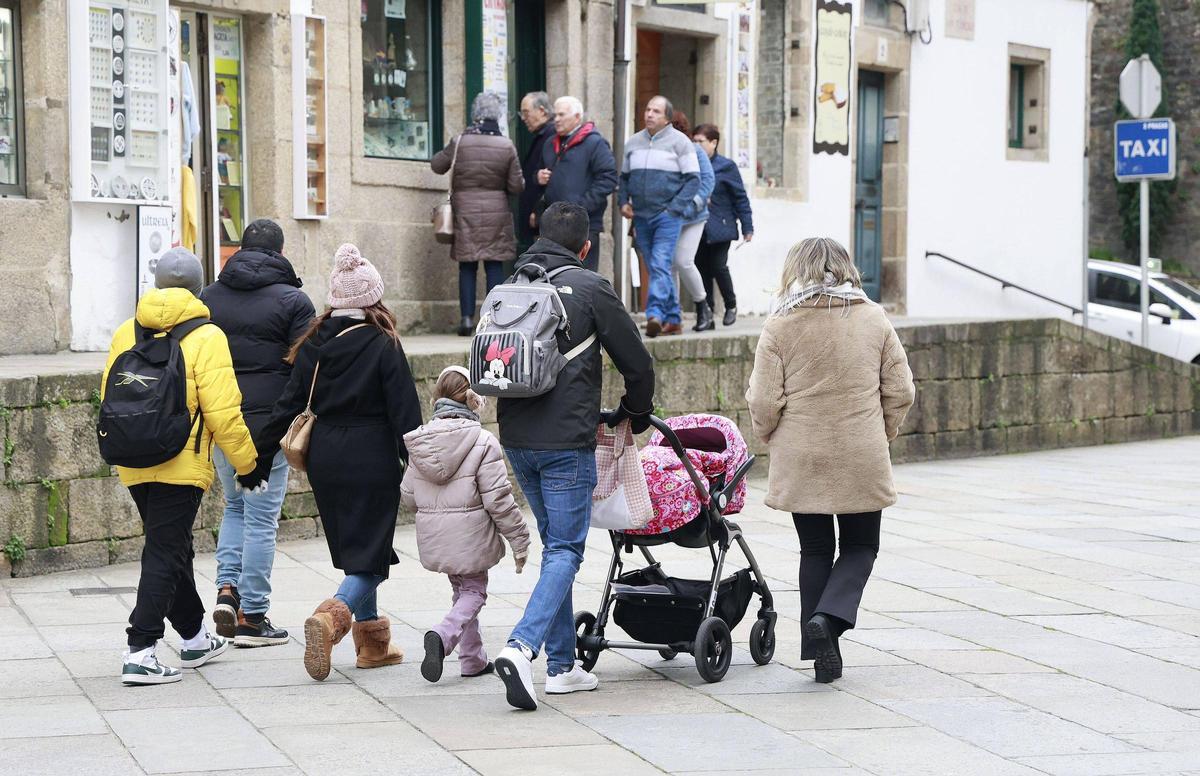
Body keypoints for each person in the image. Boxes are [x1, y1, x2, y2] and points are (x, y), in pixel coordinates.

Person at [493, 202, 655, 711]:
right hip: (565, 442)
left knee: (555, 548)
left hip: (516, 438)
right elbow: (638, 362)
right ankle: (522, 648)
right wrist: (636, 411)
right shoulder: (590, 287)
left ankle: (563, 669)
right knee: (566, 550)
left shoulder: (511, 285)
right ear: (585, 247)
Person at [746, 237, 914, 684]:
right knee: (861, 546)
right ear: (845, 268)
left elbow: (763, 400)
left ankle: (822, 648)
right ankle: (830, 618)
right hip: (861, 448)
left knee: (816, 548)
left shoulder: (779, 324)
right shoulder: (873, 318)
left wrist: (770, 435)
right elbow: (902, 391)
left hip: (803, 453)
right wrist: (884, 432)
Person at [256, 243, 424, 681]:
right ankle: (331, 618)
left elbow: (287, 405)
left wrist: (257, 457)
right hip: (372, 456)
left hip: (326, 456)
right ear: (373, 297)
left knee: (359, 550)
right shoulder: (384, 343)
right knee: (370, 559)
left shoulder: (314, 342)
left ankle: (372, 648)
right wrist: (423, 468)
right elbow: (406, 414)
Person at [103, 248, 266, 685]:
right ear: (198, 288)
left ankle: (194, 638)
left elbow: (109, 394)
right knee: (164, 549)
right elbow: (224, 411)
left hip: (133, 457)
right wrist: (247, 464)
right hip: (181, 460)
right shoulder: (207, 335)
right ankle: (140, 648)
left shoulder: (126, 330)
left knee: (172, 547)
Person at [200, 218, 315, 647]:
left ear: (238, 250)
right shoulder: (294, 301)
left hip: (221, 417)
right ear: (281, 254)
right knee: (262, 517)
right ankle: (253, 616)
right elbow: (304, 367)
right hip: (268, 421)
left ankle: (227, 590)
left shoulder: (208, 296)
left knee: (234, 506)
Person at [401, 366, 531, 683]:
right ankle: (443, 636)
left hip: (437, 536)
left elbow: (407, 496)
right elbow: (498, 499)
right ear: (473, 402)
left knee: (462, 592)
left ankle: (472, 659)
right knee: (475, 592)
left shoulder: (421, 441)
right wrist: (520, 539)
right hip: (470, 535)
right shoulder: (483, 441)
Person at [431, 91, 524, 336]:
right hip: (497, 215)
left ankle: (466, 320)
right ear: (498, 116)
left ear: (475, 114)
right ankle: (494, 319)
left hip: (466, 212)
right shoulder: (507, 145)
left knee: (467, 267)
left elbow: (437, 165)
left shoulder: (460, 141)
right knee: (494, 265)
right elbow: (516, 186)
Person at [619, 95, 700, 338]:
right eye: (647, 109)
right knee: (656, 267)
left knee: (661, 262)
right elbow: (623, 178)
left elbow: (693, 179)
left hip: (667, 216)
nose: (649, 114)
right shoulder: (633, 142)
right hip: (641, 216)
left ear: (667, 118)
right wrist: (623, 202)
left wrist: (674, 208)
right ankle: (673, 319)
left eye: (656, 111)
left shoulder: (681, 143)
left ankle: (654, 313)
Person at [536, 96, 618, 273]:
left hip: (584, 224)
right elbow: (545, 176)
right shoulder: (550, 144)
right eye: (555, 115)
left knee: (582, 278)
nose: (556, 119)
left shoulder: (595, 143)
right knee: (555, 277)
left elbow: (608, 178)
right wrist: (540, 178)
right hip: (555, 223)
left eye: (561, 114)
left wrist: (580, 208)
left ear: (577, 117)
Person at [693, 124, 753, 327]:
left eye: (701, 141)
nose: (696, 145)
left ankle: (730, 305)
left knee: (718, 266)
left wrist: (747, 227)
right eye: (694, 141)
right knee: (701, 269)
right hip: (697, 226)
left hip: (722, 226)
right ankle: (706, 314)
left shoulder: (726, 166)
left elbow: (740, 198)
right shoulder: (691, 164)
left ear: (713, 143)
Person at [667, 111, 715, 332]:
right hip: (671, 217)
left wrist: (691, 203)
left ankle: (702, 306)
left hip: (694, 216)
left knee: (683, 260)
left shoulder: (695, 150)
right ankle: (673, 315)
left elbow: (707, 180)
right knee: (669, 266)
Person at [517, 91, 555, 252]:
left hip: (543, 217)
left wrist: (538, 212)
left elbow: (549, 179)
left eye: (526, 113)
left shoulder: (550, 136)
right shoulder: (541, 135)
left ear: (541, 111)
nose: (523, 118)